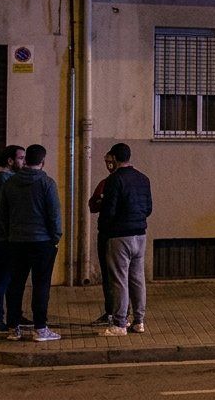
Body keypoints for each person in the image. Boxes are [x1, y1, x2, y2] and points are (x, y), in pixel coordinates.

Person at [2, 144, 63, 342]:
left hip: (16, 241)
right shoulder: (47, 183)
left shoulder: (10, 183)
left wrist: (9, 233)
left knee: (15, 284)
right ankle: (40, 328)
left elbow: (2, 213)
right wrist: (56, 237)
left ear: (26, 160)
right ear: (43, 162)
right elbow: (54, 214)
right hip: (42, 242)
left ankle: (13, 327)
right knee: (41, 284)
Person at [99, 143, 153, 336]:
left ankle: (120, 323)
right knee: (137, 279)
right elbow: (148, 208)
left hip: (119, 235)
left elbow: (109, 210)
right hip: (140, 234)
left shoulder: (114, 180)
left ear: (114, 158)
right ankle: (139, 321)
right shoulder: (143, 179)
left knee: (119, 280)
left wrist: (105, 225)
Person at [0, 145, 25, 335]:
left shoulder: (7, 178)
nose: (23, 162)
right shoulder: (1, 179)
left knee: (11, 279)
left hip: (8, 237)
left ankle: (14, 316)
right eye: (20, 158)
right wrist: (9, 235)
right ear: (10, 160)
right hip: (2, 239)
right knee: (1, 279)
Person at [87, 149, 119, 326]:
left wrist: (104, 201)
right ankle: (111, 312)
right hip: (107, 233)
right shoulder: (104, 183)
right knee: (108, 276)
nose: (107, 166)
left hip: (115, 234)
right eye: (105, 162)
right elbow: (92, 205)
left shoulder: (117, 182)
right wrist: (100, 201)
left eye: (110, 162)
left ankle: (119, 314)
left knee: (117, 276)